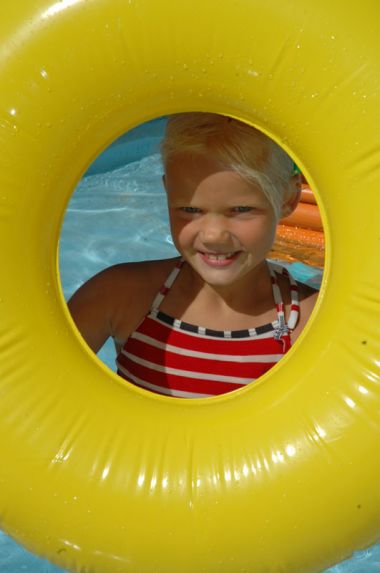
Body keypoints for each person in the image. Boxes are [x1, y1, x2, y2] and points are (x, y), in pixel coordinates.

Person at [68, 112, 318, 398]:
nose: (213, 235)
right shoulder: (121, 295)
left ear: (288, 198)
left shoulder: (308, 322)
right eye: (189, 210)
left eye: (240, 210)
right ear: (167, 192)